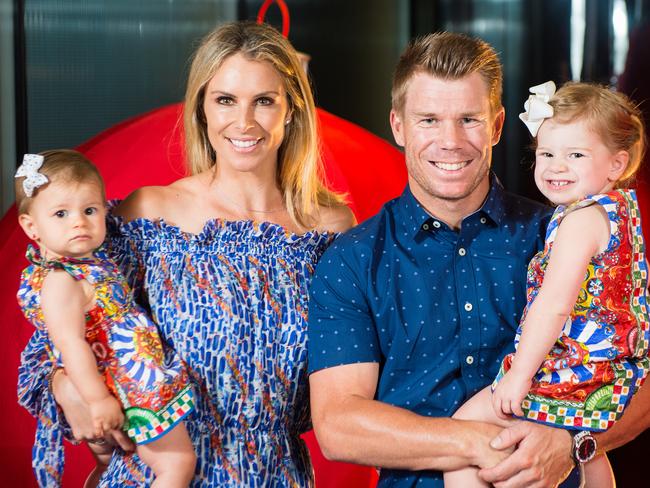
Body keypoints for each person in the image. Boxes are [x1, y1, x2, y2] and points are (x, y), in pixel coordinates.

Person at [17, 21, 354, 487]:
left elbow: (359, 368)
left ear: (292, 110)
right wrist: (67, 387)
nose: (244, 122)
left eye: (264, 101)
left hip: (278, 475)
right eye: (225, 100)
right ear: (201, 109)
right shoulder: (149, 215)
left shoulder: (332, 229)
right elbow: (61, 329)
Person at [307, 32, 650, 488]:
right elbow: (338, 426)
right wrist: (478, 443)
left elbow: (638, 372)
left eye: (469, 119)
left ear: (497, 125)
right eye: (428, 119)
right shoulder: (352, 261)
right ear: (398, 126)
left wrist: (574, 445)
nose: (450, 141)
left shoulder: (563, 236)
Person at [444, 81, 648, 487]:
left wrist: (519, 375)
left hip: (574, 367)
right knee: (588, 454)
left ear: (616, 164)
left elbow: (554, 305)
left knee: (462, 434)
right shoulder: (620, 211)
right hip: (611, 366)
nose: (556, 166)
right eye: (547, 154)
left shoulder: (579, 222)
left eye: (575, 154)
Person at [14, 150, 196, 488]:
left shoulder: (91, 264)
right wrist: (98, 399)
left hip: (122, 381)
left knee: (112, 463)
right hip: (126, 385)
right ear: (31, 227)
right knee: (177, 462)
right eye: (61, 213)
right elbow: (68, 344)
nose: (79, 222)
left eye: (89, 210)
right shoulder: (61, 280)